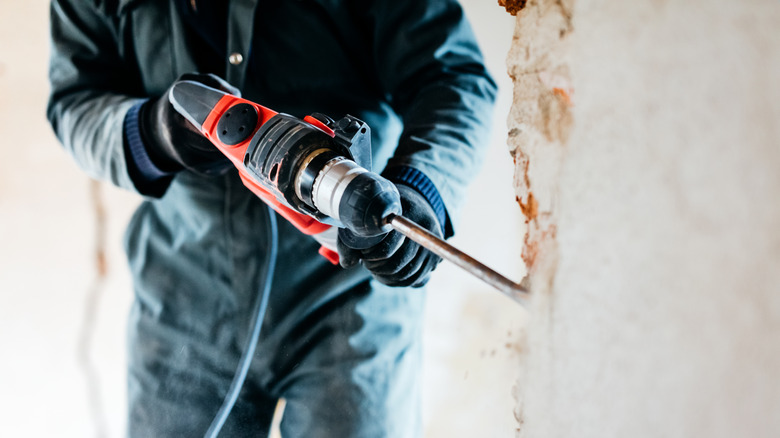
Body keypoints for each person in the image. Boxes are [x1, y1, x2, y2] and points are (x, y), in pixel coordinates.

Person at [47, 0, 497, 436]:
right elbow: (76, 101)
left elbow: (452, 76)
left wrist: (422, 188)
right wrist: (154, 133)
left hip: (350, 301)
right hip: (183, 298)